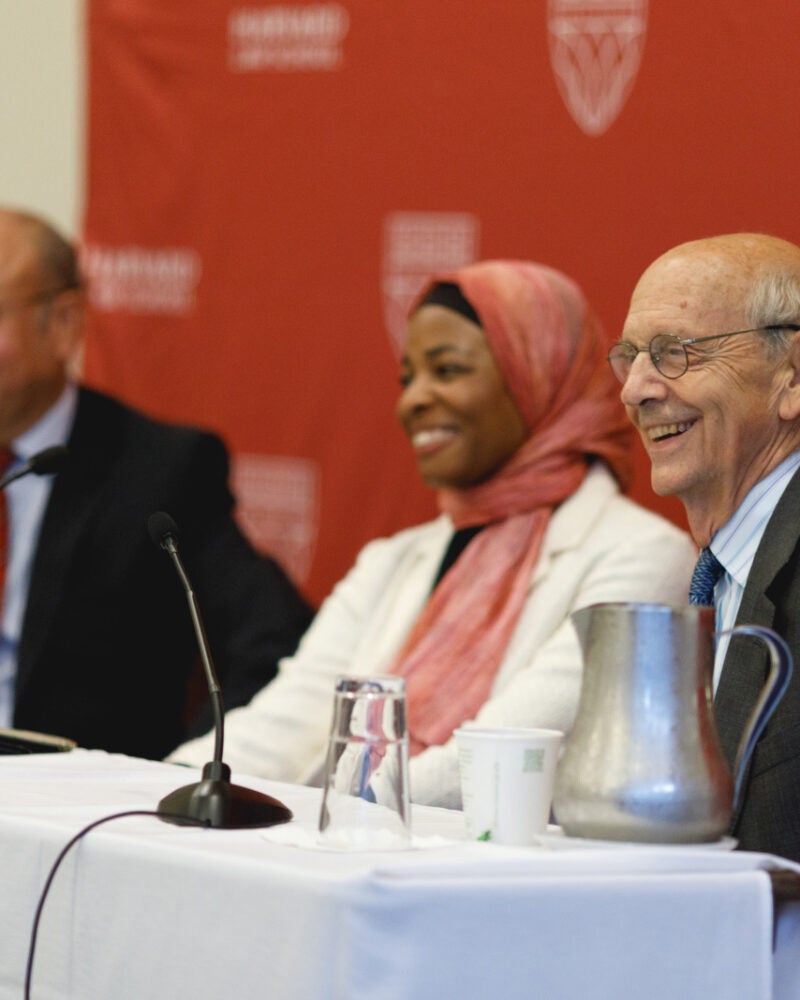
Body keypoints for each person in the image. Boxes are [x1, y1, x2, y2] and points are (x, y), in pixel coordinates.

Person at [170, 259, 696, 807]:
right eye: (407, 378)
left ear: (538, 375)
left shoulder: (643, 558)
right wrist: (170, 788)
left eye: (446, 371)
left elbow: (500, 757)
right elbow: (287, 720)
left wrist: (338, 815)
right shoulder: (393, 560)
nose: (412, 400)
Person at [0, 207, 314, 758]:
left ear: (65, 323)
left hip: (70, 810)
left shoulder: (158, 469)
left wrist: (179, 773)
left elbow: (275, 643)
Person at [609, 232, 800, 861]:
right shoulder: (717, 573)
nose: (634, 390)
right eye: (630, 356)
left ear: (792, 377)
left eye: (674, 353)